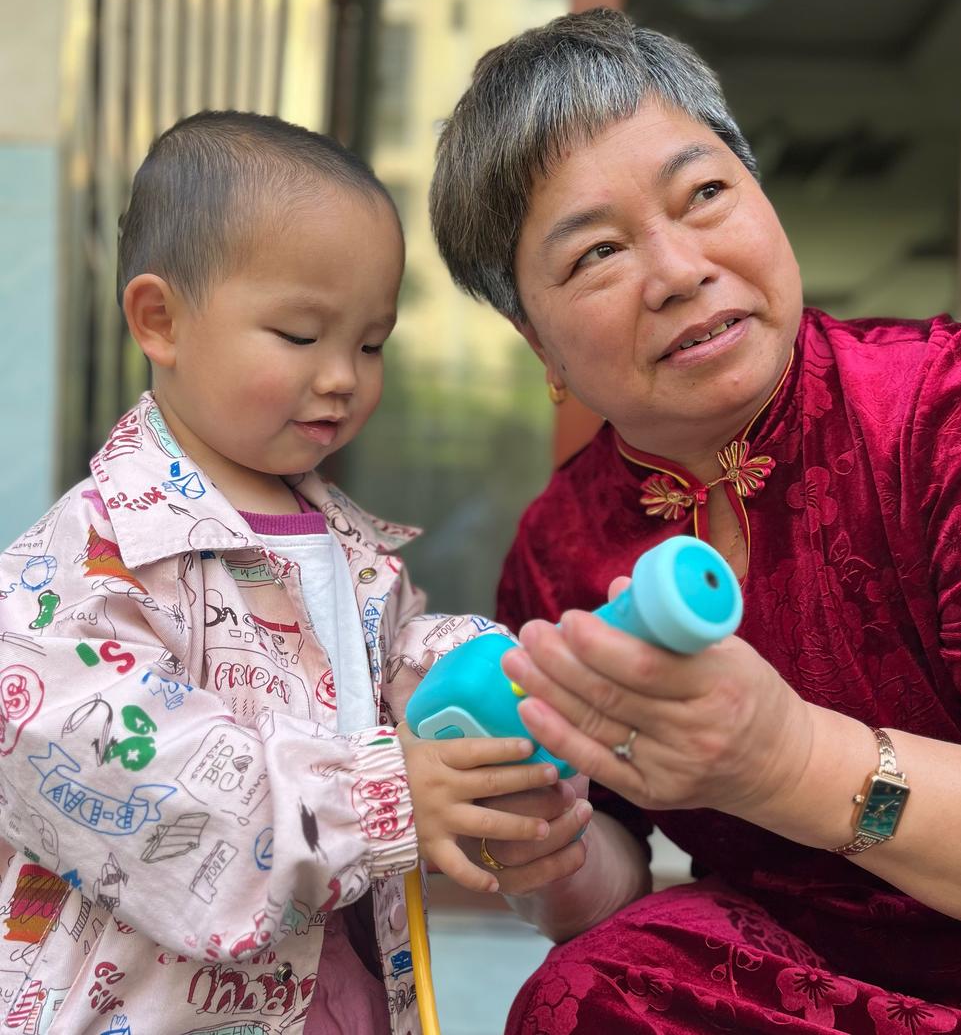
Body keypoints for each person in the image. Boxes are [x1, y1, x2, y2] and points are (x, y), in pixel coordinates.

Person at [429, 8, 961, 1034]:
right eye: (597, 253)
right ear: (537, 344)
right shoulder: (563, 547)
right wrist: (532, 842)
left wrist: (786, 763)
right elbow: (608, 885)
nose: (680, 268)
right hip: (798, 992)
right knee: (579, 992)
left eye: (705, 194)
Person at [0, 111, 564, 1035]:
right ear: (161, 320)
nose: (343, 375)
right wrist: (385, 797)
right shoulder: (81, 566)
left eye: (372, 342)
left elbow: (394, 685)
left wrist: (505, 687)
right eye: (301, 335)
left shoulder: (350, 548)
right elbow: (142, 787)